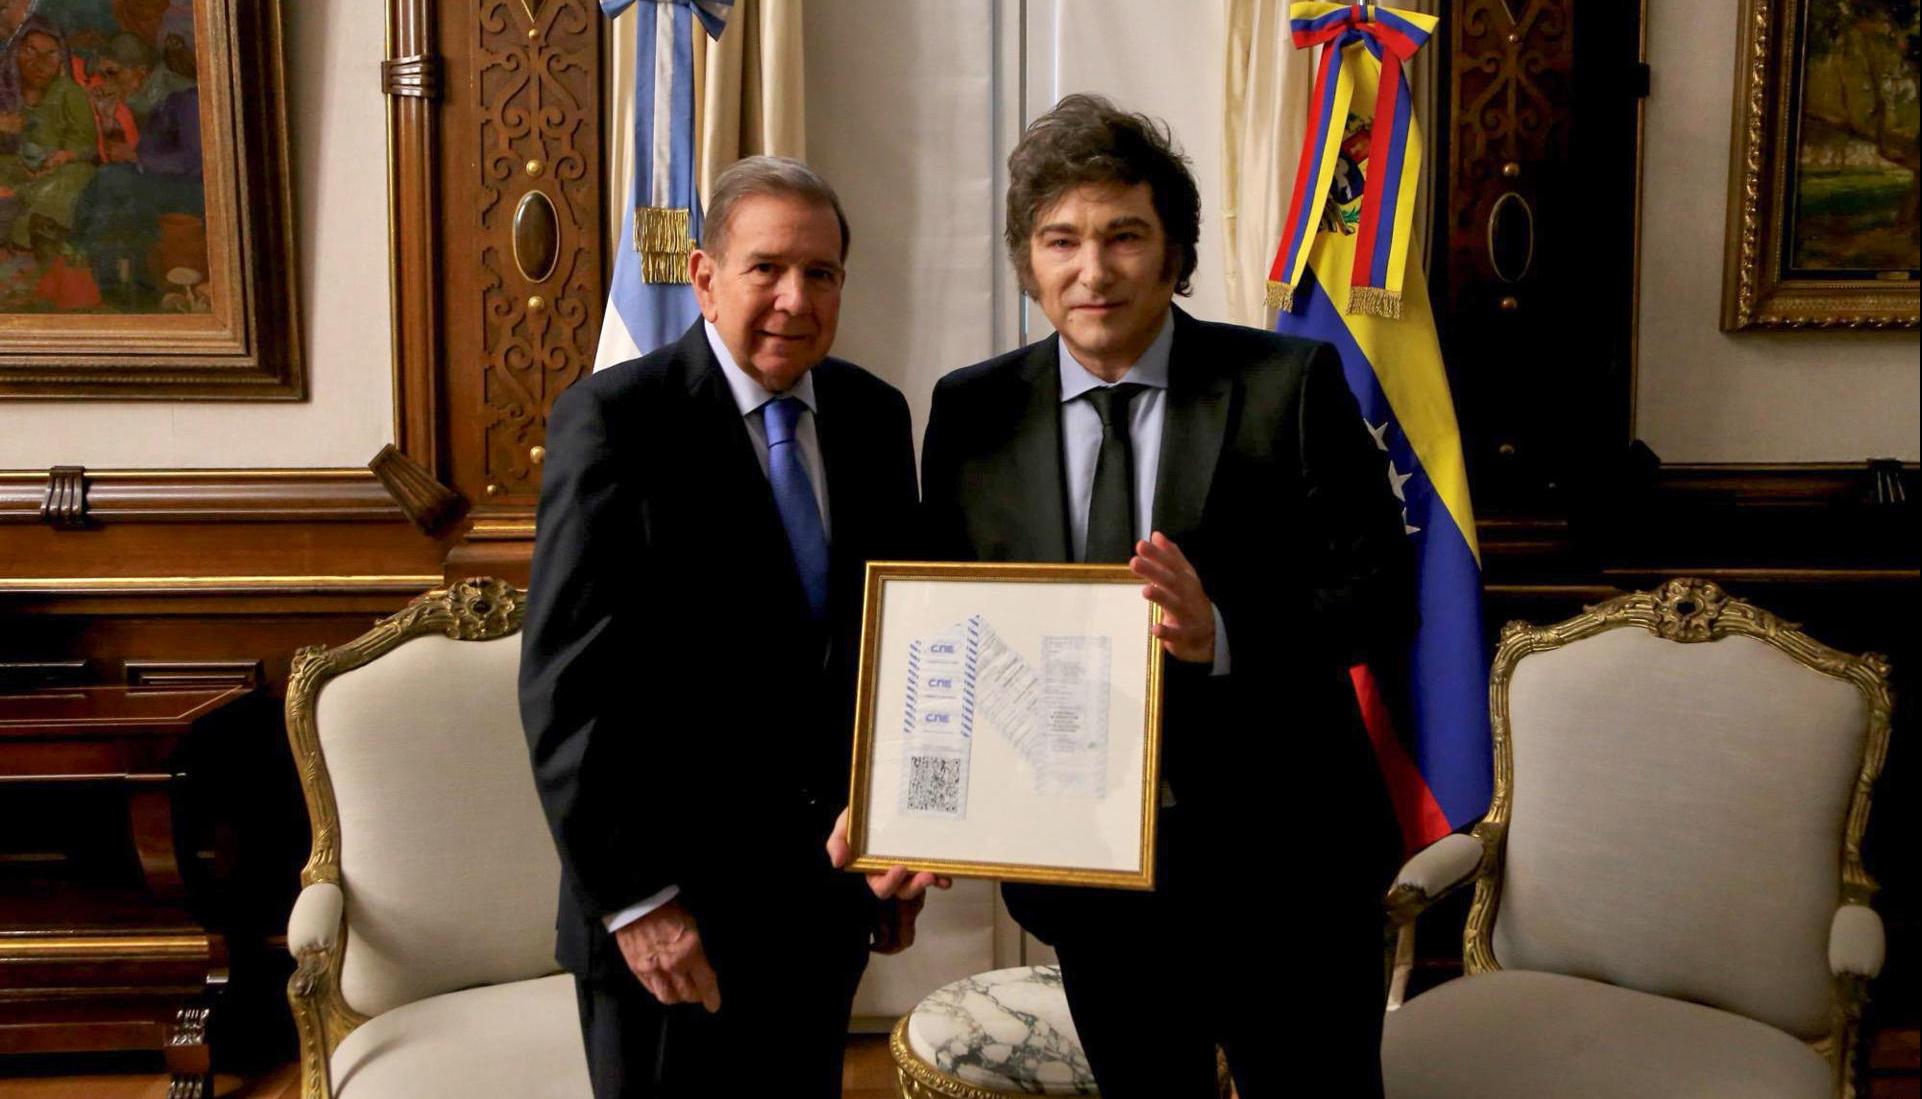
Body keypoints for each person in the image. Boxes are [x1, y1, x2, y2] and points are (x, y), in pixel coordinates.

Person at [918, 94, 1416, 1097]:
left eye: (1122, 237)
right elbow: (950, 625)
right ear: (1026, 261)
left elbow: (1381, 597)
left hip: (1287, 867)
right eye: (1058, 240)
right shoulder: (969, 412)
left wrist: (1222, 633)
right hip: (1095, 877)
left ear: (1175, 252)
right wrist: (922, 809)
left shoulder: (1288, 381)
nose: (1090, 271)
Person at [520, 156, 940, 1099]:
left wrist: (895, 832)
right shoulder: (614, 421)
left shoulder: (876, 417)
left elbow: (897, 656)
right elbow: (567, 689)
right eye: (767, 268)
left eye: (822, 273)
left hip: (822, 906)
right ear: (706, 277)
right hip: (673, 921)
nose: (796, 298)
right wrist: (637, 902)